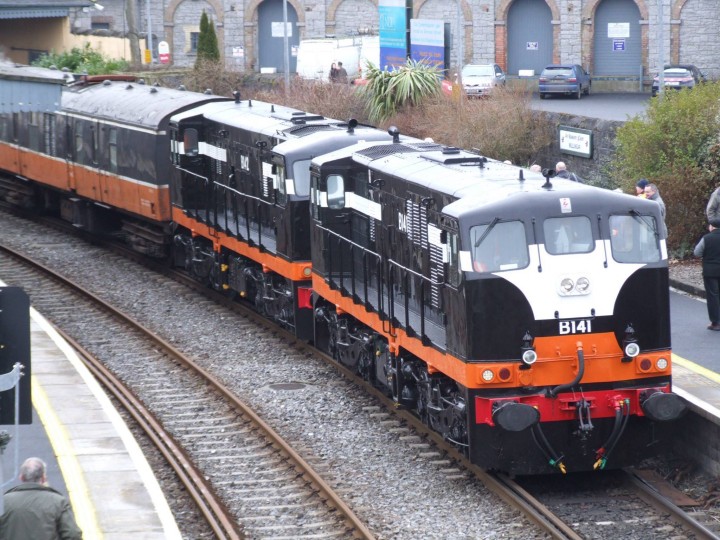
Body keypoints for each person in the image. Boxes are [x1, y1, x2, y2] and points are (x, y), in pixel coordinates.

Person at [0, 457, 82, 539]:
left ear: (21, 477)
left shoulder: (4, 502)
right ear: (43, 478)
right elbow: (72, 534)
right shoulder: (59, 502)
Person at [694, 219, 720, 331]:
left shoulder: (706, 238)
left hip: (710, 271)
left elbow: (697, 253)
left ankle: (716, 322)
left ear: (712, 227)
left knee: (713, 296)